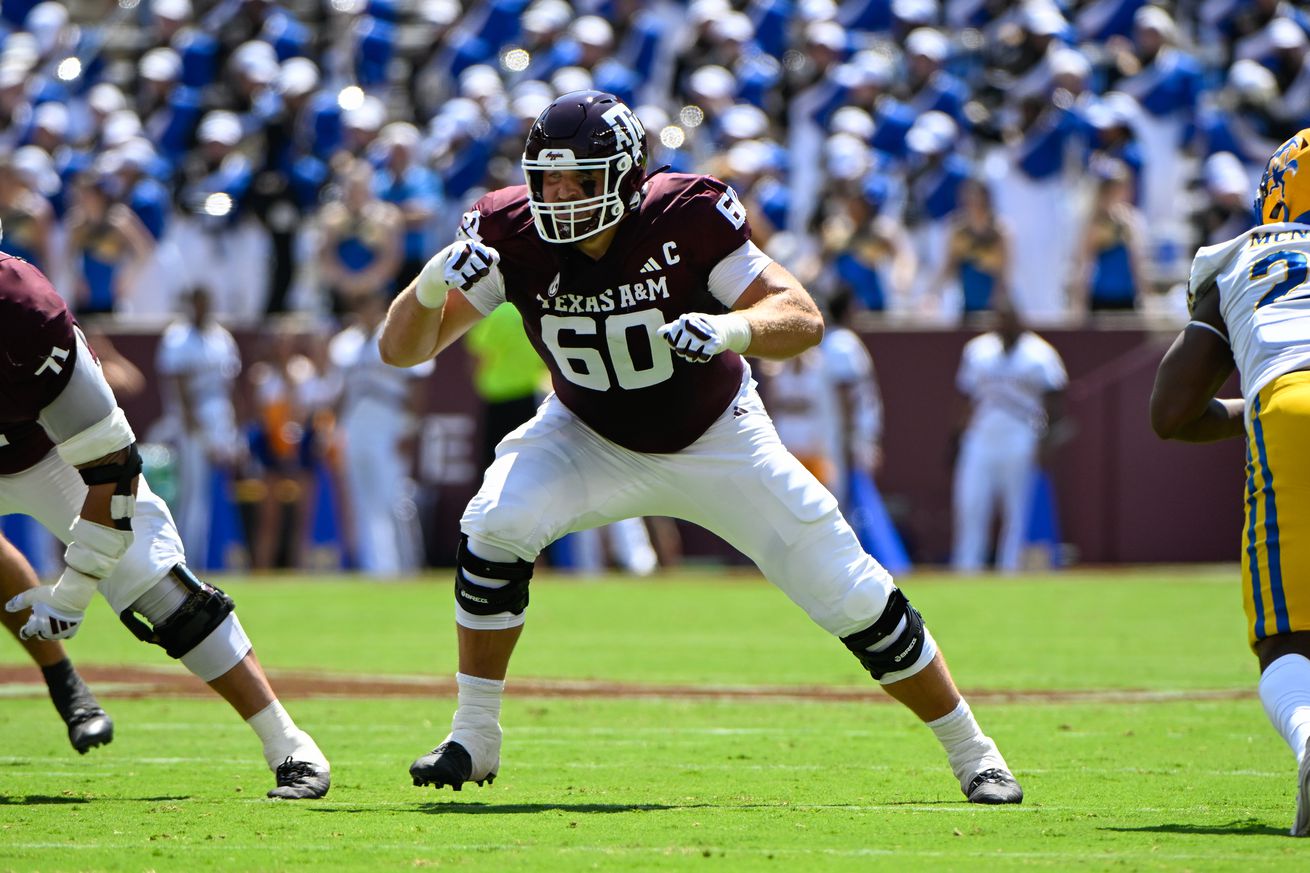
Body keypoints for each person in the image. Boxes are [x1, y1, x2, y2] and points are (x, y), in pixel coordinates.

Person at [379, 90, 1023, 804]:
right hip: (586, 431)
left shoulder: (684, 215)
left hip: (716, 433)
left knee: (849, 587)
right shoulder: (508, 231)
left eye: (579, 180)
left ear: (626, 177)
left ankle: (975, 751)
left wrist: (731, 330)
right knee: (495, 521)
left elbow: (802, 315)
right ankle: (474, 734)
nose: (558, 198)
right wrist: (431, 281)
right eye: (547, 180)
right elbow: (403, 349)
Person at [0, 233, 329, 798]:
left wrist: (76, 587)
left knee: (161, 592)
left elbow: (113, 468)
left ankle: (289, 743)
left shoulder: (24, 310)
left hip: (46, 453)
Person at [1149, 128, 1310, 837]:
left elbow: (1172, 411)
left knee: (1289, 639)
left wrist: (1251, 413)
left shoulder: (1239, 254)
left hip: (1291, 402)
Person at [950, 296, 1069, 573]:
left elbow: (1056, 400)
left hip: (1022, 436)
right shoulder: (977, 350)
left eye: (1008, 318)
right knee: (971, 505)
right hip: (980, 437)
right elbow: (965, 398)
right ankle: (966, 569)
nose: (1002, 323)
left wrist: (1047, 441)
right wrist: (956, 437)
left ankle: (1010, 571)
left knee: (1017, 512)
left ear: (1020, 320)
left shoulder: (1040, 354)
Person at [155, 286, 243, 570]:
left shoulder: (221, 337)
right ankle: (185, 558)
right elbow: (178, 383)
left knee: (218, 490)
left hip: (219, 416)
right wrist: (189, 421)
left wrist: (233, 425)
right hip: (192, 419)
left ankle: (219, 556)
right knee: (192, 492)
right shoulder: (177, 337)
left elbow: (230, 385)